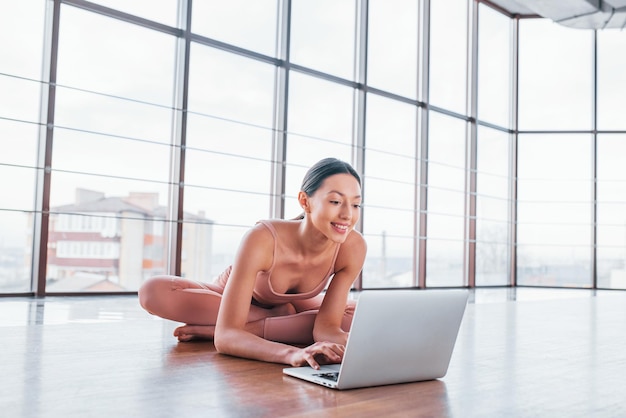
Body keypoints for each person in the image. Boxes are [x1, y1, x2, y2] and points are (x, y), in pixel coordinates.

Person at [138, 157, 367, 370]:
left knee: (360, 315)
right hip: (239, 296)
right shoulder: (263, 238)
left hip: (297, 304)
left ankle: (249, 330)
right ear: (305, 202)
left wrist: (368, 347)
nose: (347, 215)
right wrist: (292, 354)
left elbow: (326, 329)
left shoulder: (353, 247)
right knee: (153, 292)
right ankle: (280, 322)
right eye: (336, 201)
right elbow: (226, 337)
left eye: (356, 205)